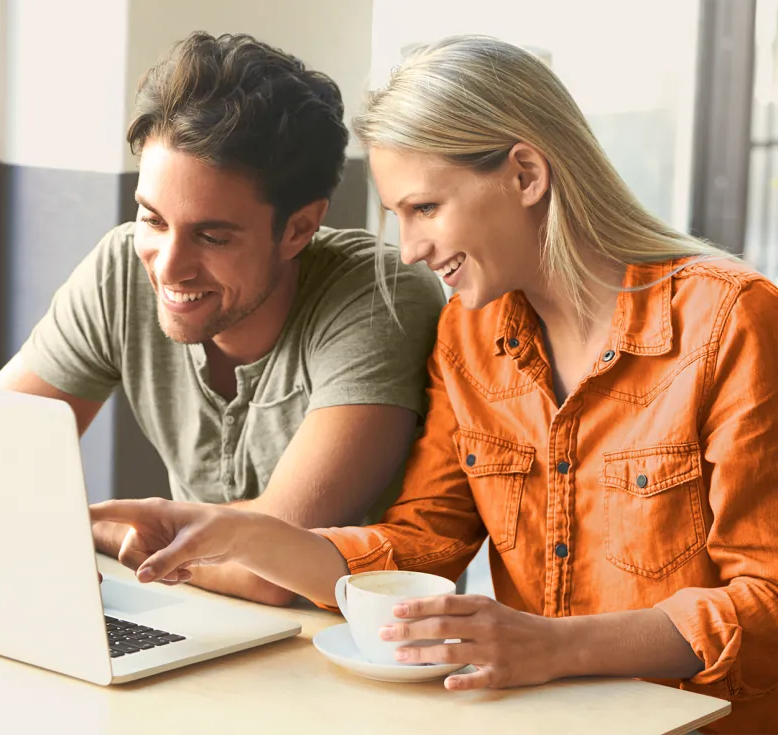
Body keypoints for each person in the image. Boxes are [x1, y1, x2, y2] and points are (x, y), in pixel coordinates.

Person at [89, 36, 778, 733]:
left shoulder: (731, 320)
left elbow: (769, 601)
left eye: (424, 208)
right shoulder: (469, 338)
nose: (411, 249)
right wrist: (238, 534)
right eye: (396, 216)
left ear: (526, 175)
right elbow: (423, 544)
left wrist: (555, 646)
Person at [0, 33, 446, 606]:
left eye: (211, 236)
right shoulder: (120, 269)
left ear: (299, 229)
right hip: (193, 611)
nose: (168, 267)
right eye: (152, 220)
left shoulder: (380, 295)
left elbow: (270, 568)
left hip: (343, 641)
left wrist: (98, 529)